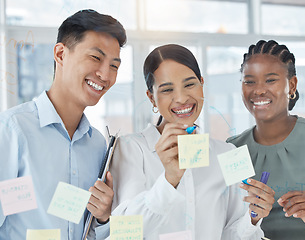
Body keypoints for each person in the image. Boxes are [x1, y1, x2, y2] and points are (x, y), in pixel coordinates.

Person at [108, 44, 264, 240]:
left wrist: (253, 217)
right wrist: (169, 180)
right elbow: (124, 232)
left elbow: (235, 234)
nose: (181, 98)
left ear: (202, 83)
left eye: (190, 84)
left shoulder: (230, 152)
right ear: (152, 98)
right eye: (167, 90)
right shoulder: (129, 148)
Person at [0, 9, 126, 239]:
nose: (105, 75)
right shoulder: (12, 130)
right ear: (60, 54)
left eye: (114, 66)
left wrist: (103, 217)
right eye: (96, 58)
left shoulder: (97, 144)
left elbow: (91, 233)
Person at [226, 39, 305, 240]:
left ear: (292, 85)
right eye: (249, 81)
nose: (258, 90)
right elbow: (225, 228)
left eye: (270, 80)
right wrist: (251, 219)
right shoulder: (232, 149)